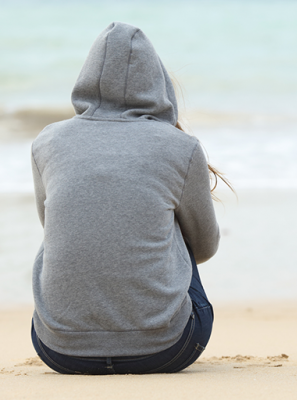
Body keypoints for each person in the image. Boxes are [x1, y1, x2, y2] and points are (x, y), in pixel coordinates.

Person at [30, 22, 228, 374]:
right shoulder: (180, 147)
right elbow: (204, 247)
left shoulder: (47, 141)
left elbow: (51, 228)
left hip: (59, 350)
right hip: (167, 349)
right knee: (173, 228)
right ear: (159, 85)